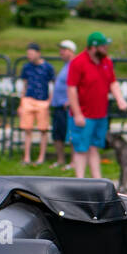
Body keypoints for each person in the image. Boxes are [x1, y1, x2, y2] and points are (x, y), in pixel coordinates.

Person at [66, 31, 127, 179]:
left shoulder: (106, 62)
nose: (106, 48)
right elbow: (72, 89)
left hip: (100, 114)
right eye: (103, 46)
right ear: (93, 47)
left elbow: (112, 82)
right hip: (84, 115)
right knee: (81, 149)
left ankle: (97, 180)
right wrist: (78, 113)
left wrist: (120, 99)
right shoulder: (78, 62)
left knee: (94, 148)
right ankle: (80, 182)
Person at [17, 42, 56, 166]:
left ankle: (41, 157)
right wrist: (21, 102)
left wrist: (50, 101)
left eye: (31, 53)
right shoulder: (26, 67)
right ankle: (27, 157)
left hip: (42, 100)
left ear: (38, 53)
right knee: (27, 129)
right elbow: (24, 85)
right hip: (28, 99)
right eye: (28, 54)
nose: (29, 56)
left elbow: (51, 85)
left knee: (43, 130)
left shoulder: (48, 68)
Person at [49, 39, 76, 170]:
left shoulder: (75, 65)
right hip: (58, 105)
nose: (60, 52)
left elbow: (79, 85)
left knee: (70, 135)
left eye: (63, 50)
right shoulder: (65, 66)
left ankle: (73, 162)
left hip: (68, 108)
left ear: (71, 51)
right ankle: (61, 160)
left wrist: (72, 100)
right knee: (57, 134)